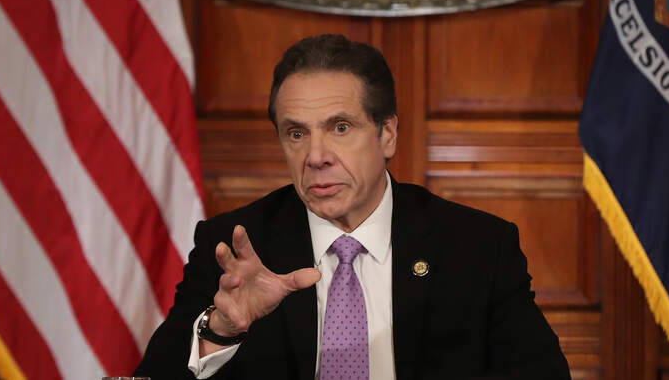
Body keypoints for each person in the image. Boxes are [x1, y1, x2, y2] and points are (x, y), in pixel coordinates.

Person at [135, 34, 570, 379]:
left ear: (387, 135)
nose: (316, 156)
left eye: (340, 127)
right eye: (296, 133)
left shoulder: (477, 247)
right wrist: (221, 330)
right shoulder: (234, 246)